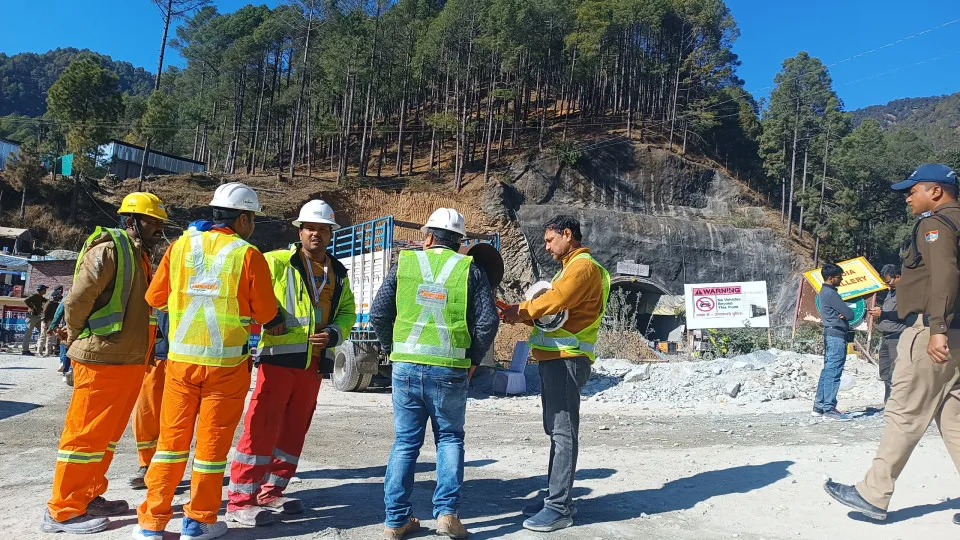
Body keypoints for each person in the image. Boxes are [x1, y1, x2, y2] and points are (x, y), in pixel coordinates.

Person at [136, 182, 278, 540]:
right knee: (211, 449)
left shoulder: (179, 246)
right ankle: (198, 521)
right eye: (253, 219)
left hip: (181, 364)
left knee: (170, 445)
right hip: (226, 368)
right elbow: (266, 312)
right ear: (243, 219)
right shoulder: (247, 254)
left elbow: (155, 298)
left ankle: (152, 523)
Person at [824, 164, 960, 527]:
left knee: (903, 412)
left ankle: (873, 494)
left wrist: (937, 328)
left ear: (936, 191)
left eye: (913, 189)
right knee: (953, 419)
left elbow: (945, 275)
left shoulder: (936, 224)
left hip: (933, 332)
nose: (907, 195)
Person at [41, 192, 168, 534]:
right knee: (84, 436)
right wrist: (78, 337)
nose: (157, 228)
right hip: (102, 359)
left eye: (159, 223)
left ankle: (89, 494)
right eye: (150, 221)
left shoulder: (139, 255)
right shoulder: (110, 249)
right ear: (131, 221)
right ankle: (63, 510)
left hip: (126, 362)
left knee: (105, 438)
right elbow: (79, 298)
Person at [370, 208, 498, 540]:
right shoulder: (471, 270)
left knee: (405, 443)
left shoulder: (406, 265)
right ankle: (446, 517)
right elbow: (487, 322)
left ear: (428, 237)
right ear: (460, 243)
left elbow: (379, 313)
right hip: (451, 371)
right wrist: (472, 360)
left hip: (406, 368)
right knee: (450, 439)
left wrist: (393, 350)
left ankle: (396, 520)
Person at [226, 200, 357, 526]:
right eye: (310, 228)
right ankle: (241, 499)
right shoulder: (276, 262)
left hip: (314, 366)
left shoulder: (338, 273)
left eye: (323, 229)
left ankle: (271, 491)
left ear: (331, 234)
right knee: (260, 428)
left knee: (294, 431)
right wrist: (268, 319)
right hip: (279, 360)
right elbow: (247, 291)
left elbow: (347, 312)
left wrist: (334, 333)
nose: (317, 234)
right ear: (300, 231)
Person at [501, 215, 610, 533]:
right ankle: (555, 498)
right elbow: (557, 316)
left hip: (567, 360)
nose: (546, 247)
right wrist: (521, 315)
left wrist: (520, 310)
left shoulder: (583, 266)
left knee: (562, 433)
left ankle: (559, 507)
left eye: (550, 240)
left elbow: (556, 301)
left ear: (567, 234)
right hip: (557, 359)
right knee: (556, 431)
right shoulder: (571, 269)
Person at [129, 309, 169, 490]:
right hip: (153, 352)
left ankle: (167, 470)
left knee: (176, 419)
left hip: (186, 354)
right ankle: (147, 464)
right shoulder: (147, 280)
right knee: (146, 414)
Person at [813, 262, 854, 421]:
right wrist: (844, 313)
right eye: (839, 277)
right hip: (836, 334)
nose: (841, 279)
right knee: (834, 371)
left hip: (830, 333)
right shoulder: (831, 294)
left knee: (828, 370)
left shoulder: (823, 293)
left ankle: (819, 406)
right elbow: (849, 314)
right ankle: (829, 408)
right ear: (831, 278)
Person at [868, 264, 906, 404]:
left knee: (895, 372)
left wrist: (883, 313)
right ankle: (888, 402)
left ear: (898, 277)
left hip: (898, 337)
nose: (888, 285)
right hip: (885, 336)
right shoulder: (891, 292)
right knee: (884, 371)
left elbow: (906, 315)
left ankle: (896, 404)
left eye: (889, 281)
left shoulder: (908, 292)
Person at [23, 284, 48, 355]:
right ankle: (25, 350)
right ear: (41, 290)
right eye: (45, 289)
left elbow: (46, 301)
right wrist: (32, 307)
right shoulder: (35, 295)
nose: (46, 290)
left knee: (43, 332)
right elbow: (26, 300)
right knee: (28, 333)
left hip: (37, 317)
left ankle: (38, 346)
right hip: (31, 317)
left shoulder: (39, 296)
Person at [41, 286, 64, 356]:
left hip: (53, 321)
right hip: (47, 321)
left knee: (51, 337)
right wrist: (44, 322)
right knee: (43, 336)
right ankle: (40, 351)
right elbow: (44, 313)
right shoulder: (49, 303)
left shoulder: (57, 304)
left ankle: (48, 351)